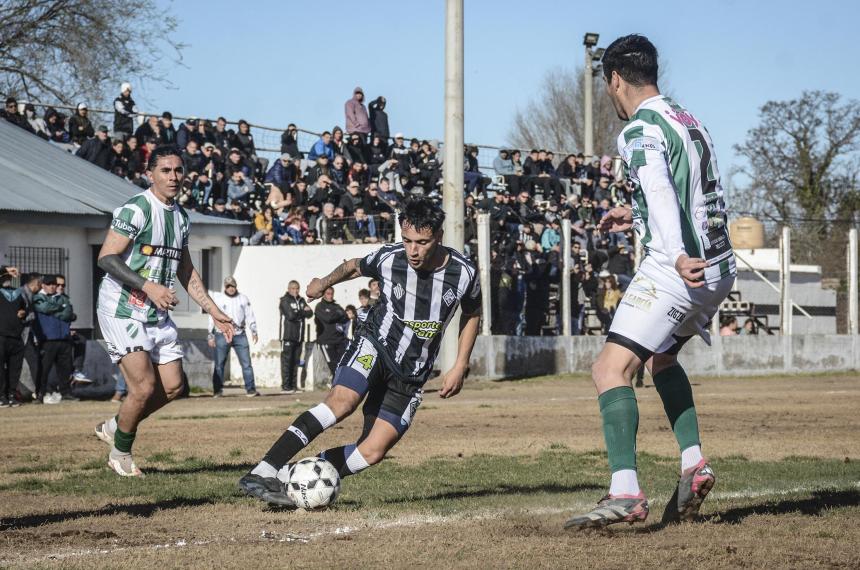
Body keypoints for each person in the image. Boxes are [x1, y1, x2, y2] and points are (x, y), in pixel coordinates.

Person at [565, 35, 735, 530]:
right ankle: (693, 462)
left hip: (678, 269)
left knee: (608, 370)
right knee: (661, 359)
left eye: (608, 87)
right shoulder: (687, 118)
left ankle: (625, 491)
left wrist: (678, 254)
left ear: (615, 79)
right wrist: (632, 213)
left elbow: (661, 189)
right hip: (720, 268)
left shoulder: (639, 128)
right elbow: (689, 192)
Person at [238, 197, 481, 508]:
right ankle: (263, 471)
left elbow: (472, 314)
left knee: (373, 450)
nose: (413, 251)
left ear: (439, 237)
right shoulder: (390, 257)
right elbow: (353, 266)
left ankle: (289, 477)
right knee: (342, 403)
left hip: (411, 372)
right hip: (375, 345)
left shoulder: (464, 272)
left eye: (422, 242)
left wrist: (460, 364)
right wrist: (321, 283)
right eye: (407, 241)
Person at [92, 145, 234, 477]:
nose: (173, 177)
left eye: (178, 170)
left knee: (173, 387)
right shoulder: (137, 209)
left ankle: (116, 425)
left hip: (156, 313)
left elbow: (186, 271)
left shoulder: (181, 218)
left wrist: (213, 310)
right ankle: (120, 454)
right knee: (142, 388)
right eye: (165, 170)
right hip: (122, 309)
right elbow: (106, 258)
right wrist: (148, 286)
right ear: (150, 173)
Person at [208, 276, 259, 397]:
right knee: (219, 364)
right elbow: (212, 317)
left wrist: (254, 331)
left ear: (236, 286)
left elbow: (250, 315)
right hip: (222, 334)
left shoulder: (243, 299)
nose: (231, 288)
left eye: (233, 286)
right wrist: (210, 335)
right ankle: (217, 390)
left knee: (246, 363)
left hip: (240, 334)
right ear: (225, 287)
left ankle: (251, 389)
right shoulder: (219, 299)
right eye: (228, 286)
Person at [279, 281, 313, 394]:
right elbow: (290, 315)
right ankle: (285, 386)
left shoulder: (301, 300)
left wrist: (300, 312)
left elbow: (310, 313)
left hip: (299, 337)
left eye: (297, 288)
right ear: (288, 289)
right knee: (287, 361)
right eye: (293, 288)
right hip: (288, 336)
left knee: (296, 361)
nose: (295, 290)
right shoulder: (284, 300)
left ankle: (293, 386)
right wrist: (303, 311)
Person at [0, 267, 26, 407]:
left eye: (8, 277)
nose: (7, 279)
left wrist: (23, 312)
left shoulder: (17, 293)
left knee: (15, 369)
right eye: (4, 277)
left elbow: (24, 309)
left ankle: (11, 395)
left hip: (16, 335)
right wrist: (5, 268)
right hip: (1, 335)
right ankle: (1, 396)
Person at [314, 286, 349, 376]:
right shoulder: (320, 306)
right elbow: (328, 318)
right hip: (327, 342)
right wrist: (338, 314)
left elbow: (345, 317)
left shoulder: (336, 306)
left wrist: (335, 315)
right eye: (328, 294)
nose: (330, 296)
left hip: (340, 340)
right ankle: (336, 387)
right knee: (334, 367)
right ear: (324, 294)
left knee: (343, 365)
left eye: (331, 294)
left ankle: (339, 386)